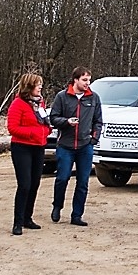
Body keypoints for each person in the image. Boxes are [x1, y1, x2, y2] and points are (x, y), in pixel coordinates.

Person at [49, 67, 103, 227]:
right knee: (62, 178)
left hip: (85, 146)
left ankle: (77, 215)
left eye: (89, 80)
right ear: (76, 80)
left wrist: (94, 138)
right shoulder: (62, 97)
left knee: (83, 182)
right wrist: (66, 122)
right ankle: (57, 206)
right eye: (84, 80)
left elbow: (98, 121)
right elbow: (53, 118)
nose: (88, 83)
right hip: (65, 145)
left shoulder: (93, 98)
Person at [7, 73, 51, 236]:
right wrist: (33, 133)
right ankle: (17, 222)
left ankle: (27, 218)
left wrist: (46, 131)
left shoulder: (40, 103)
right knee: (24, 184)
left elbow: (44, 122)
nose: (40, 87)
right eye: (38, 84)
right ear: (29, 86)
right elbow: (13, 128)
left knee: (35, 184)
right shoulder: (17, 104)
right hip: (22, 147)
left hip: (39, 147)